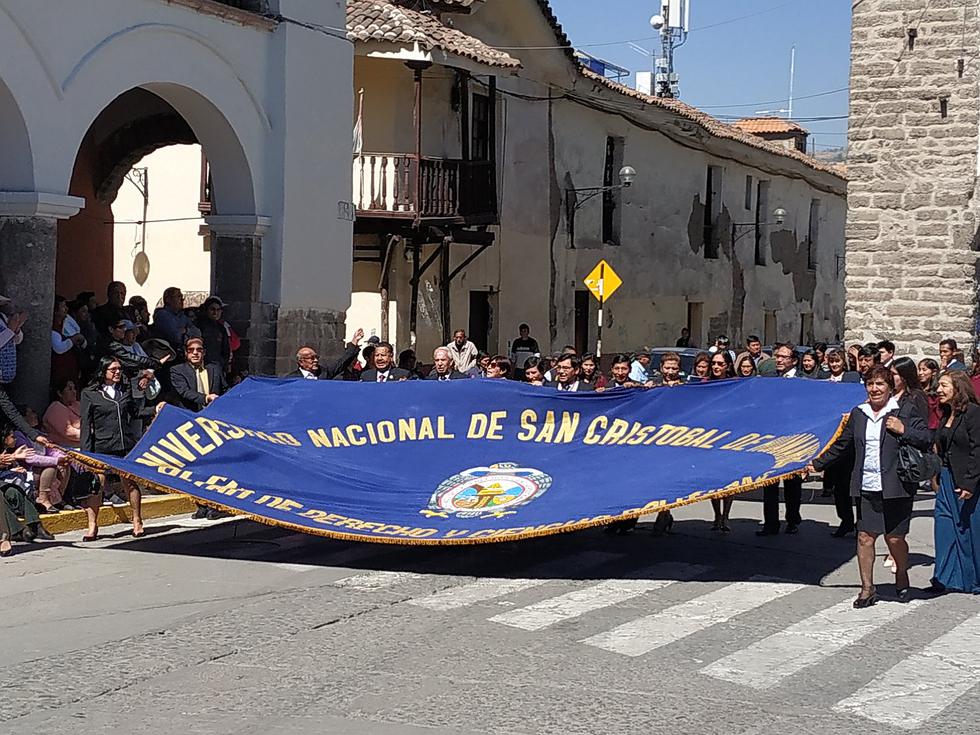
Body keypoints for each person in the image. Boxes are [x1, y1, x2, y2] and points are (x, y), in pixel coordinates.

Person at [810, 366, 932, 607]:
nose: (874, 389)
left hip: (896, 485)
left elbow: (927, 438)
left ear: (890, 388)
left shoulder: (904, 410)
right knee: (865, 537)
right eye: (870, 384)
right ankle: (867, 588)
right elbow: (842, 444)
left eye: (880, 384)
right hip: (867, 485)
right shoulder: (859, 413)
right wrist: (816, 463)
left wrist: (904, 430)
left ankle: (901, 573)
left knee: (894, 538)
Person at [80, 356, 161, 540]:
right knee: (96, 485)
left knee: (130, 483)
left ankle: (137, 520)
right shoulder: (89, 393)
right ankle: (92, 525)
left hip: (124, 443)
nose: (117, 372)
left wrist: (155, 409)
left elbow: (135, 412)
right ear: (103, 371)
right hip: (102, 445)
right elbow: (86, 424)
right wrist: (86, 454)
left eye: (119, 369)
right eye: (113, 369)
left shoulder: (125, 390)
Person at [930, 371, 980, 594]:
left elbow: (978, 450)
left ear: (958, 388)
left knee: (969, 529)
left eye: (944, 385)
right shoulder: (946, 413)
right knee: (945, 527)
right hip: (947, 478)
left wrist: (969, 483)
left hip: (967, 480)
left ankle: (972, 579)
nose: (938, 390)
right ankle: (944, 578)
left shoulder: (974, 413)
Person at [170, 337, 228, 520]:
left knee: (214, 465)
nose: (195, 353)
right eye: (191, 350)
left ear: (204, 352)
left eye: (199, 350)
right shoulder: (177, 371)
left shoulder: (214, 369)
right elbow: (184, 392)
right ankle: (200, 504)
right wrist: (206, 398)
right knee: (195, 466)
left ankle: (214, 504)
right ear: (186, 353)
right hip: (191, 424)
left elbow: (224, 389)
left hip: (213, 424)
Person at [758, 344, 804, 536]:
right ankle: (771, 523)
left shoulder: (802, 381)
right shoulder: (769, 379)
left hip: (793, 438)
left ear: (793, 360)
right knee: (769, 483)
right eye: (777, 356)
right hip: (772, 437)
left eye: (784, 357)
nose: (778, 360)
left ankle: (792, 520)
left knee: (792, 483)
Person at [285, 329, 364, 380]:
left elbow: (342, 362)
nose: (316, 360)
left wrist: (354, 341)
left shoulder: (324, 372)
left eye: (316, 357)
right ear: (301, 362)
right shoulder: (292, 379)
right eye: (311, 358)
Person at [152, 287, 201, 352]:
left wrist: (186, 330)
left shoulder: (183, 316)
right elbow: (176, 337)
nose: (182, 299)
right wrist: (187, 334)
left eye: (182, 296)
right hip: (170, 353)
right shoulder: (162, 315)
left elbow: (198, 333)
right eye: (178, 296)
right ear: (168, 299)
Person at [51, 295, 84, 389]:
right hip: (60, 370)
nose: (66, 309)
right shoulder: (53, 327)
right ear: (55, 311)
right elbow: (59, 348)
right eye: (63, 306)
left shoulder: (66, 322)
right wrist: (73, 339)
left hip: (71, 368)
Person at [43, 378, 82, 449]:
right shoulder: (55, 408)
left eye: (74, 388)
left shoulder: (77, 404)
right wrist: (91, 435)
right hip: (64, 448)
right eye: (70, 389)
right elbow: (69, 432)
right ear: (60, 393)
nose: (74, 392)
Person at [195, 297, 231, 370]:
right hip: (202, 365)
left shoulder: (221, 328)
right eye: (212, 309)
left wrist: (224, 363)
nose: (215, 313)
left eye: (218, 310)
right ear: (206, 310)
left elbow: (225, 349)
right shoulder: (198, 326)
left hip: (218, 366)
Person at [918, 358, 942, 430]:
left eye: (924, 370)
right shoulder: (918, 389)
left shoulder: (937, 391)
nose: (920, 373)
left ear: (934, 372)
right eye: (919, 369)